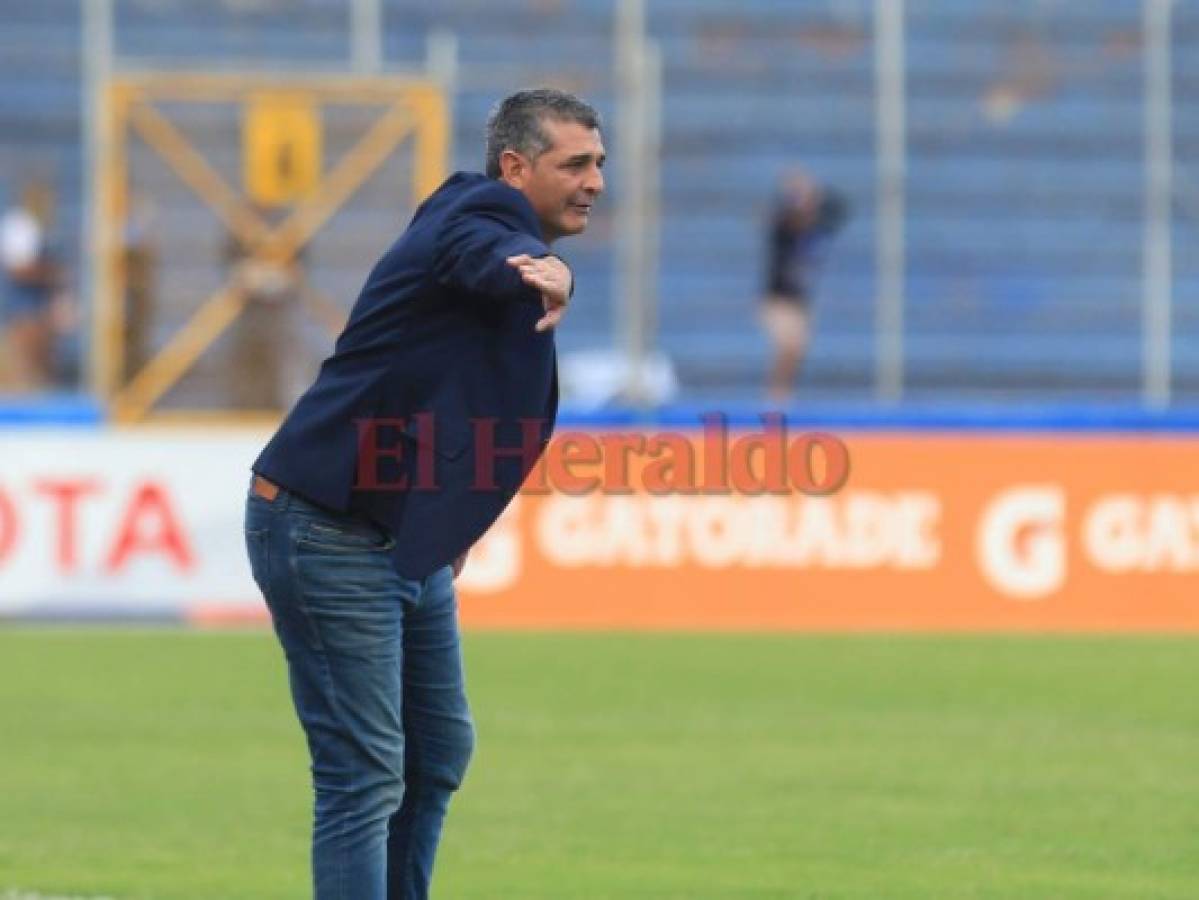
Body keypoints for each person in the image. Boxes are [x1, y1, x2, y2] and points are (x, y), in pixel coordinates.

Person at [243, 88, 604, 899]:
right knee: (363, 774)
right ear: (515, 168)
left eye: (599, 164)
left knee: (435, 752)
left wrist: (450, 521)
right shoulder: (479, 218)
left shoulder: (484, 228)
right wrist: (541, 274)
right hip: (324, 525)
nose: (594, 181)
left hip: (398, 535)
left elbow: (462, 393)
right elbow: (480, 252)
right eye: (574, 163)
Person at [760, 168, 848, 402]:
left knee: (797, 350)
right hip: (778, 298)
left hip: (800, 301)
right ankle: (776, 397)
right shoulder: (784, 229)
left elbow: (841, 208)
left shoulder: (817, 230)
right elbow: (785, 215)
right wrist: (795, 191)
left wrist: (816, 191)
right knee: (788, 346)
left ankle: (783, 395)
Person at [0, 181, 63, 389]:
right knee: (25, 370)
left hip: (39, 309)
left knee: (41, 370)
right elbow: (18, 270)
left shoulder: (42, 226)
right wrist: (51, 273)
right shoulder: (19, 225)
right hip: (24, 311)